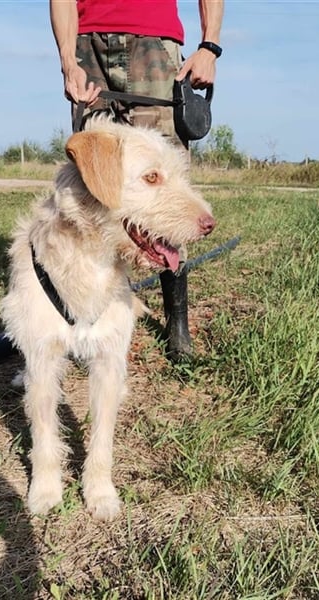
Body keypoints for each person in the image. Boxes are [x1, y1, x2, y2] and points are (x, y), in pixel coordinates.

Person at [50, 0, 224, 361]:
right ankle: (90, 320)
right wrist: (69, 61)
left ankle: (177, 328)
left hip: (152, 41)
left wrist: (210, 45)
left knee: (161, 187)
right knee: (93, 190)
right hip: (87, 44)